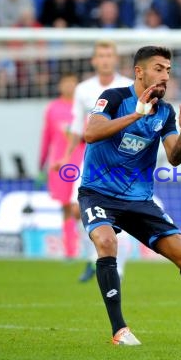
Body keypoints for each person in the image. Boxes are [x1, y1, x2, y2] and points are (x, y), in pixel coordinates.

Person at [79, 45, 181, 346]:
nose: (165, 76)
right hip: (97, 193)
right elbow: (91, 133)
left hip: (138, 200)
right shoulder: (114, 98)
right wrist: (135, 115)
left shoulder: (164, 112)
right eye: (159, 69)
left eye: (168, 70)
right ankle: (119, 330)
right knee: (106, 241)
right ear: (140, 72)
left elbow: (175, 157)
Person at [55, 41, 133, 282]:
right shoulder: (83, 89)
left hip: (120, 162)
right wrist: (66, 157)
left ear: (116, 59)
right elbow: (77, 128)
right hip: (90, 160)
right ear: (94, 61)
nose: (106, 59)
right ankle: (93, 257)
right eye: (101, 55)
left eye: (109, 54)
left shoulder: (127, 87)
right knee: (78, 210)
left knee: (124, 216)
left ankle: (117, 268)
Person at [39, 73, 82, 259]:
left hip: (81, 161)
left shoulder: (83, 107)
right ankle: (70, 250)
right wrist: (41, 164)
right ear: (60, 85)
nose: (69, 86)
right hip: (60, 164)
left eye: (72, 82)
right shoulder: (53, 108)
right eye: (66, 82)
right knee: (65, 206)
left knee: (80, 207)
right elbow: (46, 137)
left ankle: (87, 247)